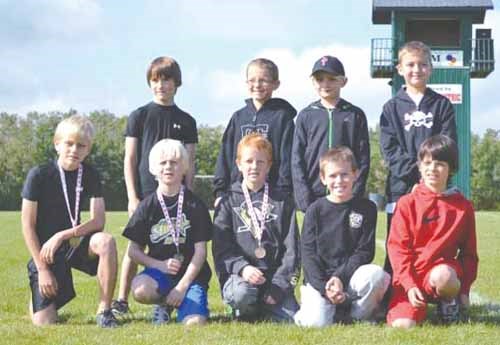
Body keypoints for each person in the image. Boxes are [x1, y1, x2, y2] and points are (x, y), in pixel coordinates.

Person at [113, 56, 199, 315]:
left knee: (174, 243)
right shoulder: (139, 116)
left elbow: (190, 163)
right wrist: (132, 196)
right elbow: (130, 158)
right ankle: (121, 300)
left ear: (176, 83)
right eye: (155, 79)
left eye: (167, 79)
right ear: (150, 83)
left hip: (177, 196)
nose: (161, 85)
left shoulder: (187, 121)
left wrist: (190, 196)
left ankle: (170, 298)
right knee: (135, 246)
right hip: (146, 194)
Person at [21, 115, 119, 328]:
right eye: (69, 144)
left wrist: (63, 235)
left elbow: (99, 220)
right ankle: (42, 296)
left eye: (81, 146)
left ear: (88, 149)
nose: (75, 150)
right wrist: (43, 269)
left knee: (106, 241)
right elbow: (28, 226)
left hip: (74, 243)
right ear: (57, 144)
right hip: (47, 252)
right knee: (44, 322)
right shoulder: (38, 175)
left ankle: (105, 310)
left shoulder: (91, 174)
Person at [379, 41, 457, 274]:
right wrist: (414, 177)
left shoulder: (442, 105)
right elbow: (389, 148)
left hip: (435, 185)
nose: (417, 69)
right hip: (400, 186)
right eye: (410, 64)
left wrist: (427, 179)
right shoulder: (391, 108)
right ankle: (394, 293)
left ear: (431, 69)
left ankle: (438, 289)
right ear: (399, 68)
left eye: (423, 64)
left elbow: (447, 143)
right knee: (398, 239)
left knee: (435, 238)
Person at [387, 135, 478, 328]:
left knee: (445, 275)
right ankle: (413, 304)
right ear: (419, 166)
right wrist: (409, 285)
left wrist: (464, 290)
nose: (432, 169)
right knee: (403, 326)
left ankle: (448, 303)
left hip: (440, 274)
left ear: (451, 168)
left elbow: (469, 254)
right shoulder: (406, 204)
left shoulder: (463, 207)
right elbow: (397, 250)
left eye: (440, 164)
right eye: (427, 163)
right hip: (410, 277)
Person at [294, 147, 389, 327]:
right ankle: (313, 308)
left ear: (355, 174)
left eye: (345, 174)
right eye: (332, 176)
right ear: (323, 178)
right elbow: (308, 254)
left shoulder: (367, 208)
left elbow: (364, 251)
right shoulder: (315, 210)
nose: (339, 181)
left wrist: (339, 277)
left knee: (376, 275)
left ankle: (354, 314)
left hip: (349, 277)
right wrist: (325, 287)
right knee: (315, 323)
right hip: (320, 281)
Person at [122, 139, 212, 325]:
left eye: (174, 162)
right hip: (159, 275)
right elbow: (133, 251)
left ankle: (190, 302)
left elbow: (201, 252)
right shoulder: (146, 206)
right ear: (154, 168)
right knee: (140, 289)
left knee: (194, 323)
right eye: (163, 163)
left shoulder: (195, 205)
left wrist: (182, 286)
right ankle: (164, 304)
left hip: (191, 277)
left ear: (184, 167)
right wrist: (158, 264)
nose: (168, 167)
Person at [213, 133, 300, 322]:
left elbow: (292, 250)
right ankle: (245, 308)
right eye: (249, 161)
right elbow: (221, 250)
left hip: (274, 276)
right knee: (241, 294)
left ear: (269, 165)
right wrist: (243, 268)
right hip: (241, 276)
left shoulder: (283, 201)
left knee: (293, 319)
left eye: (260, 162)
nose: (254, 166)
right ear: (238, 164)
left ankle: (265, 304)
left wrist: (279, 285)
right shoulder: (227, 202)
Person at [213, 58, 296, 207]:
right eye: (252, 80)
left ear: (275, 84)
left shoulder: (282, 117)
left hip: (273, 195)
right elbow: (225, 155)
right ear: (246, 83)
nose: (257, 85)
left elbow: (287, 158)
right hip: (237, 193)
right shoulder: (238, 117)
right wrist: (220, 191)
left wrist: (284, 191)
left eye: (263, 80)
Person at [292, 55, 370, 212]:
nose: (325, 84)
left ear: (343, 81)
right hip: (314, 197)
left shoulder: (355, 114)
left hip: (345, 195)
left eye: (332, 79)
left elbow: (363, 158)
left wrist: (355, 193)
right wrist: (303, 196)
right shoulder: (306, 115)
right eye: (320, 79)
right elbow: (296, 159)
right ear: (313, 82)